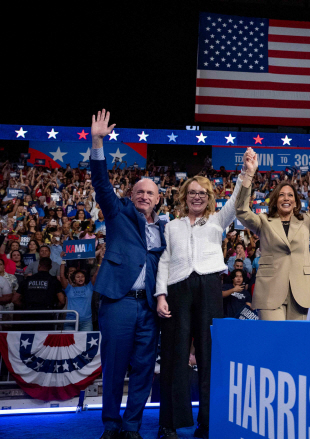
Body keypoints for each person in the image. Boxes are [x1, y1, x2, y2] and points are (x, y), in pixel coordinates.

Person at [155, 150, 249, 439]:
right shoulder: (171, 226)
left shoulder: (217, 222)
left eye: (203, 194)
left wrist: (247, 174)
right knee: (174, 355)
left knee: (209, 357)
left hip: (209, 288)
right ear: (184, 196)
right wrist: (160, 295)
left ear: (209, 198)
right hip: (178, 290)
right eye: (192, 193)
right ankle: (169, 424)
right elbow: (165, 261)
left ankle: (208, 423)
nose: (197, 197)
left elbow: (235, 202)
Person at [90, 110, 167, 439]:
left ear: (158, 199)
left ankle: (132, 427)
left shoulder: (165, 231)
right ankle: (111, 426)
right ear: (131, 195)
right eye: (139, 191)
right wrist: (97, 141)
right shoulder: (118, 212)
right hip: (118, 302)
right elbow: (100, 181)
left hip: (148, 307)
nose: (144, 196)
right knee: (114, 369)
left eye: (150, 193)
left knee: (144, 371)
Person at [235, 151, 310, 321]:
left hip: (299, 291)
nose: (286, 198)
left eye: (290, 195)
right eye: (282, 195)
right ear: (275, 199)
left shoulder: (306, 221)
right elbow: (241, 210)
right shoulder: (264, 221)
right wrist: (249, 173)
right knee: (274, 339)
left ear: (295, 201)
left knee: (294, 342)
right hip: (270, 291)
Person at [13, 257, 65, 330]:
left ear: (39, 266)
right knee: (44, 340)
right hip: (46, 315)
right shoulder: (54, 281)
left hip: (28, 314)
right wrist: (54, 309)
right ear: (50, 267)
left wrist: (24, 307)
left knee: (29, 339)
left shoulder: (27, 280)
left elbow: (15, 299)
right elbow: (62, 301)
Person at [59, 263, 97, 331]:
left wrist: (100, 261)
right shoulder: (69, 289)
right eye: (78, 277)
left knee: (85, 341)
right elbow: (62, 276)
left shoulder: (89, 288)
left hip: (86, 322)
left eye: (82, 276)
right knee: (69, 341)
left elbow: (96, 275)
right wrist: (62, 262)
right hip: (70, 321)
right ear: (74, 280)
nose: (80, 278)